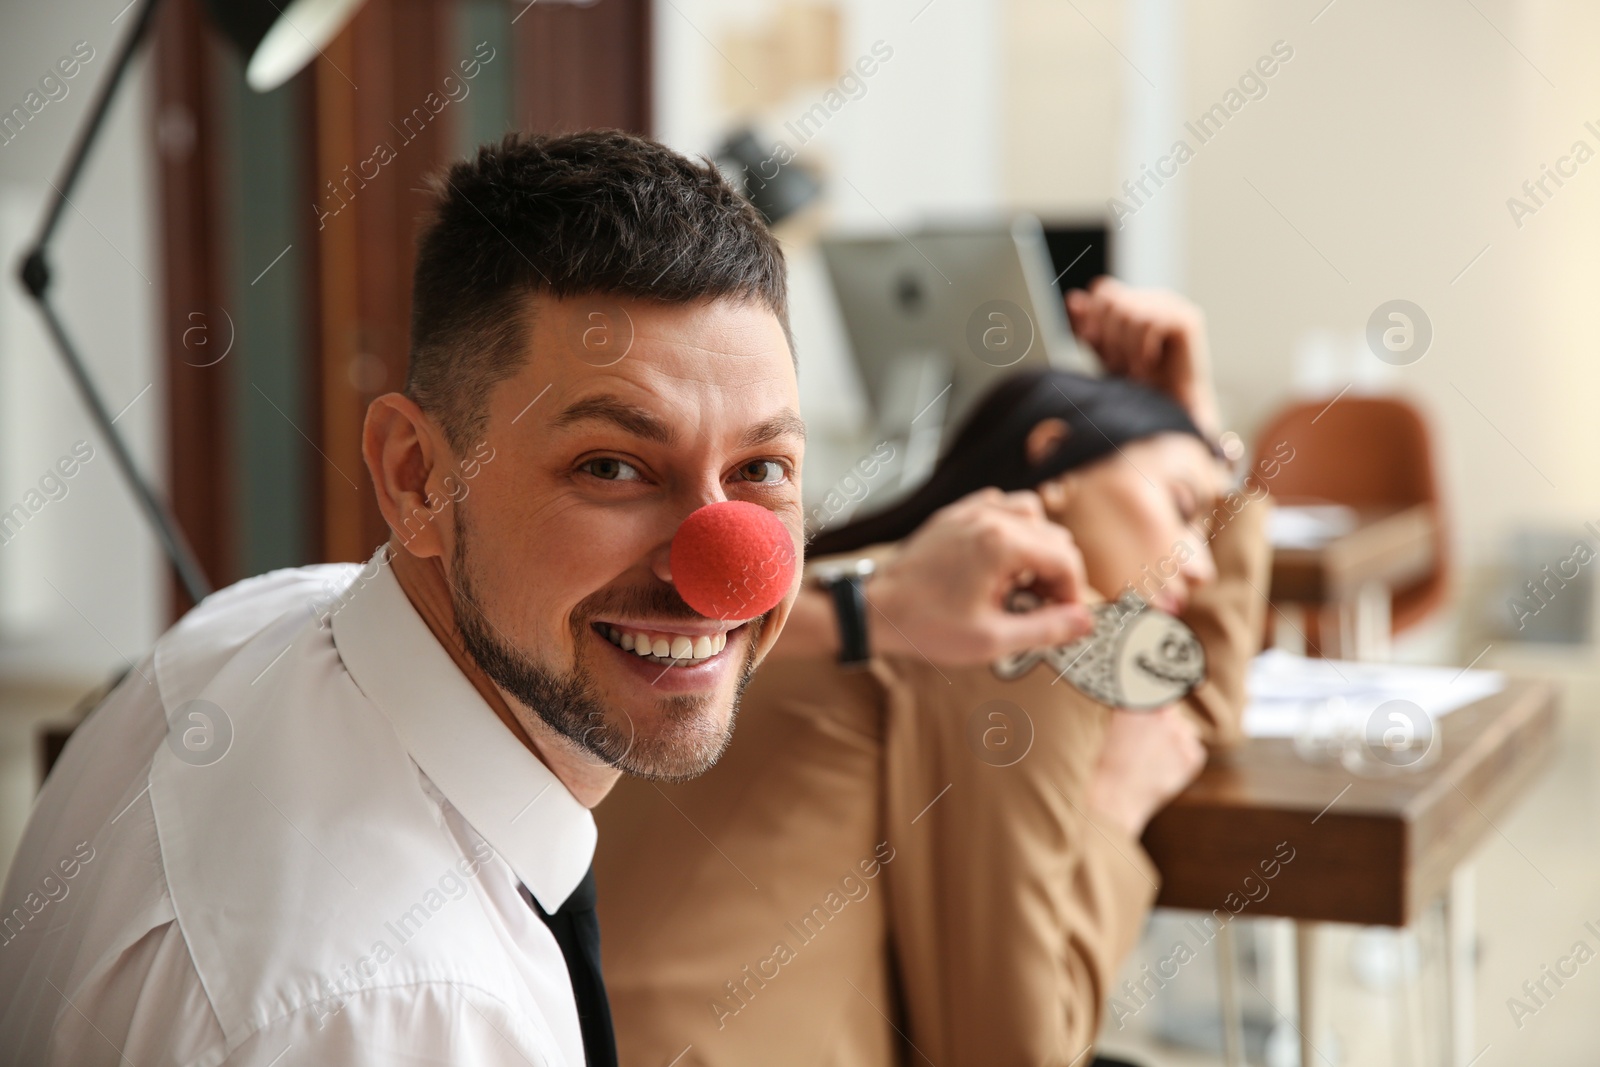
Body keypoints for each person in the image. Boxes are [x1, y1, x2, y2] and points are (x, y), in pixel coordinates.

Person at [0, 130, 1099, 1067]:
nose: (722, 565)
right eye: (612, 468)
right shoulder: (407, 1009)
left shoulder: (258, 623)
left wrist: (877, 610)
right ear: (417, 476)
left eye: (760, 470)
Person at [592, 279, 1275, 1066]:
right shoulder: (1024, 624)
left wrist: (1195, 424)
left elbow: (1185, 709)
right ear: (1055, 453)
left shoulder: (862, 584)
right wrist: (1114, 806)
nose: (1199, 558)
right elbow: (1013, 1052)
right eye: (1184, 503)